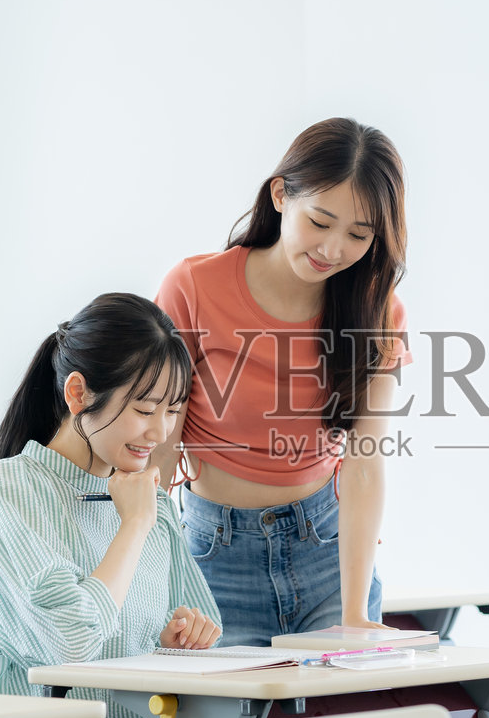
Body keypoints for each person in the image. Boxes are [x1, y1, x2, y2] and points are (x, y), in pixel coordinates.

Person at [0, 292, 221, 718]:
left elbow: (208, 630)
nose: (161, 431)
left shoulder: (150, 504)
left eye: (172, 410)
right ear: (78, 393)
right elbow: (71, 642)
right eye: (145, 409)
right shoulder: (7, 490)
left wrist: (179, 640)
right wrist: (135, 525)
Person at [155, 117, 409, 646]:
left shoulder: (376, 312)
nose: (334, 249)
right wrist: (156, 582)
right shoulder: (194, 288)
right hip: (211, 561)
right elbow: (159, 448)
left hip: (327, 555)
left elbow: (365, 463)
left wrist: (356, 612)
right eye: (320, 221)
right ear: (280, 195)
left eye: (359, 235)